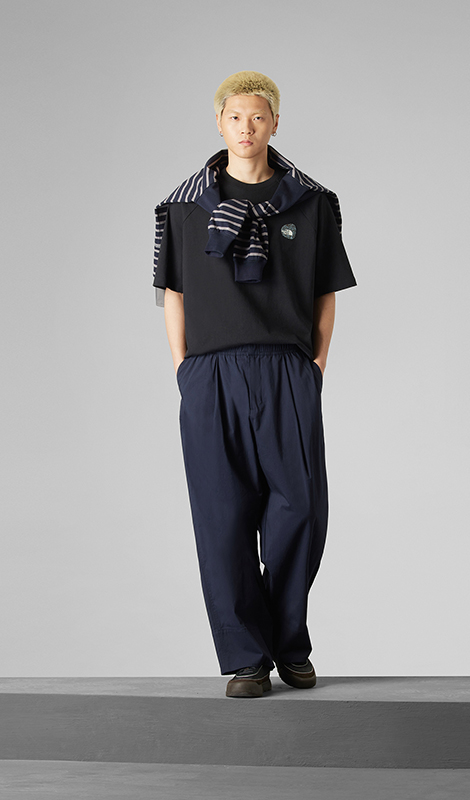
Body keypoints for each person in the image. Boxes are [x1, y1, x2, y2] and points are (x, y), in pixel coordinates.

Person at [153, 71, 356, 698]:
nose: (246, 127)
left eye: (258, 116)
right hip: (210, 373)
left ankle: (288, 640)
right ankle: (247, 658)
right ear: (219, 123)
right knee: (222, 518)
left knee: (301, 510)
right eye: (235, 117)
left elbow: (325, 290)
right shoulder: (183, 208)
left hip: (286, 369)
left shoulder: (310, 203)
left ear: (274, 124)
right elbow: (173, 291)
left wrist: (315, 364)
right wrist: (184, 367)